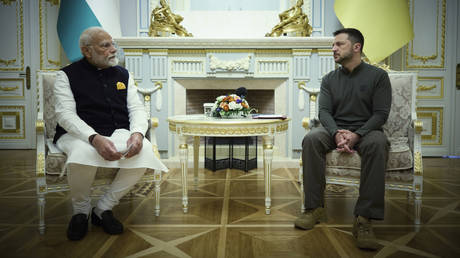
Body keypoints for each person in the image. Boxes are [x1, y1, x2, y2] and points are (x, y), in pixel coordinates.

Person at [53, 27, 168, 241]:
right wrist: (93, 138)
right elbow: (65, 115)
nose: (113, 49)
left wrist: (137, 134)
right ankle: (81, 211)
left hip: (117, 131)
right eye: (105, 46)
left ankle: (103, 208)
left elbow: (136, 109)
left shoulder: (124, 74)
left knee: (144, 153)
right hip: (78, 134)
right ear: (87, 51)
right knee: (81, 153)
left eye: (112, 44)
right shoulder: (66, 75)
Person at [294, 28, 391, 250]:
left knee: (378, 143)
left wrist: (358, 135)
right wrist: (336, 133)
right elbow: (324, 112)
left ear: (356, 47)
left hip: (367, 131)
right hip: (334, 130)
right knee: (311, 139)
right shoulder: (329, 79)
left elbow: (381, 114)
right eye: (333, 45)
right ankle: (314, 208)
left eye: (339, 44)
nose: (333, 49)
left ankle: (364, 219)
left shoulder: (378, 77)